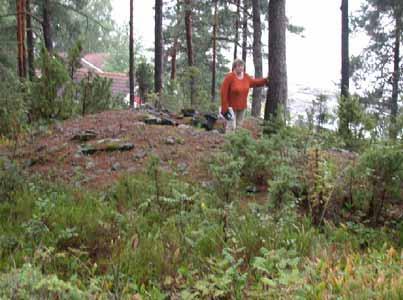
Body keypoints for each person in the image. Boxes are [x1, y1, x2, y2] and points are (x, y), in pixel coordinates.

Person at [220, 58, 268, 129]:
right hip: (230, 108)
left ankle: (238, 140)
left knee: (239, 126)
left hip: (242, 107)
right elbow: (223, 92)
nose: (241, 68)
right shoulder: (229, 77)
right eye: (238, 66)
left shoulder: (246, 77)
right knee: (231, 127)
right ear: (234, 67)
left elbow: (255, 82)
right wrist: (225, 107)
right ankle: (228, 140)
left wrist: (265, 80)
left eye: (242, 66)